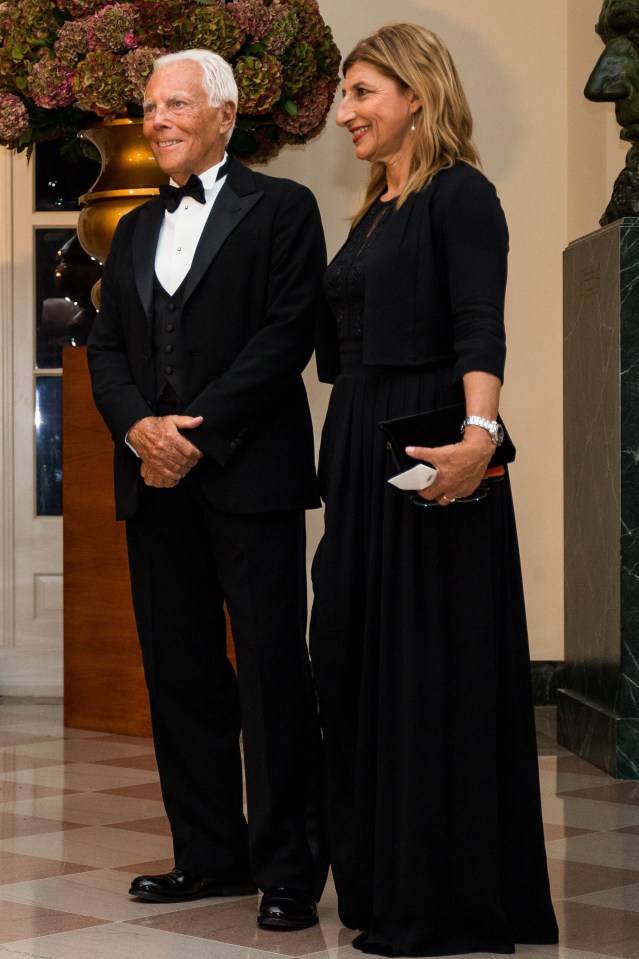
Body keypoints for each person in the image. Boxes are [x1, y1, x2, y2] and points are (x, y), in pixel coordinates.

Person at [309, 23, 559, 957]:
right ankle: (378, 883)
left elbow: (477, 328)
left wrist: (476, 440)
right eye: (343, 94)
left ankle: (442, 901)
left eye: (363, 91)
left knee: (426, 677)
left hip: (431, 453)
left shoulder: (461, 195)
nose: (345, 112)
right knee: (350, 660)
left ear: (417, 93)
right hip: (359, 458)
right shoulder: (372, 209)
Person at [87, 48, 326, 930]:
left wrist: (195, 433)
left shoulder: (286, 209)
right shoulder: (135, 230)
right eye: (150, 107)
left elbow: (285, 336)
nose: (158, 121)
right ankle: (207, 856)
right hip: (153, 480)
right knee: (180, 674)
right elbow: (108, 349)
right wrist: (138, 428)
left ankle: (289, 870)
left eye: (175, 104)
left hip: (246, 475)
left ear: (226, 113)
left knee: (270, 675)